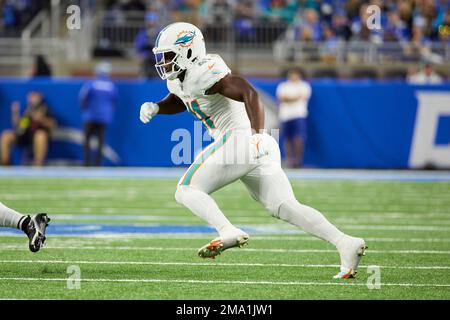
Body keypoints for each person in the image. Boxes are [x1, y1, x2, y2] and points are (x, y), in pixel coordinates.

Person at [140, 22, 367, 279]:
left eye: (168, 56)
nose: (164, 62)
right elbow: (184, 99)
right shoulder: (182, 80)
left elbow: (250, 94)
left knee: (186, 189)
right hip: (258, 146)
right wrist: (158, 107)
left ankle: (226, 230)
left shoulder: (205, 71)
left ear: (188, 51)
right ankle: (345, 242)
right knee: (284, 205)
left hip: (241, 141)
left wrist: (255, 136)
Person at [0, 91, 57, 166]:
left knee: (40, 135)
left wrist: (41, 119)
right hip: (25, 136)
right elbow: (20, 127)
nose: (32, 99)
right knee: (6, 135)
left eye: (34, 96)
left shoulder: (45, 109)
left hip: (38, 138)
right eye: (30, 97)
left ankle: (38, 166)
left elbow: (53, 124)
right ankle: (4, 164)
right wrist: (15, 115)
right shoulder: (27, 111)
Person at [79, 61, 117, 166]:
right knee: (101, 141)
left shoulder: (91, 83)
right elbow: (114, 101)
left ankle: (87, 163)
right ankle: (98, 164)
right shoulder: (111, 85)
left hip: (90, 115)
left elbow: (83, 98)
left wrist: (85, 109)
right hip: (104, 117)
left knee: (87, 140)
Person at [276, 68, 311, 168]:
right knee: (287, 139)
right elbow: (281, 98)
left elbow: (302, 97)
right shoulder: (283, 86)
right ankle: (289, 160)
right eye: (291, 74)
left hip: (299, 115)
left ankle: (298, 161)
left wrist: (289, 98)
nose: (293, 76)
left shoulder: (304, 86)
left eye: (295, 74)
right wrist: (294, 97)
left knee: (298, 138)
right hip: (285, 116)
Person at [134, 11, 160, 78]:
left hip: (157, 59)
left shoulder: (160, 32)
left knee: (157, 77)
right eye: (150, 20)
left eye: (153, 20)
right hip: (146, 59)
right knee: (144, 75)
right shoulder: (143, 32)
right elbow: (138, 46)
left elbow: (162, 46)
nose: (151, 22)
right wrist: (147, 40)